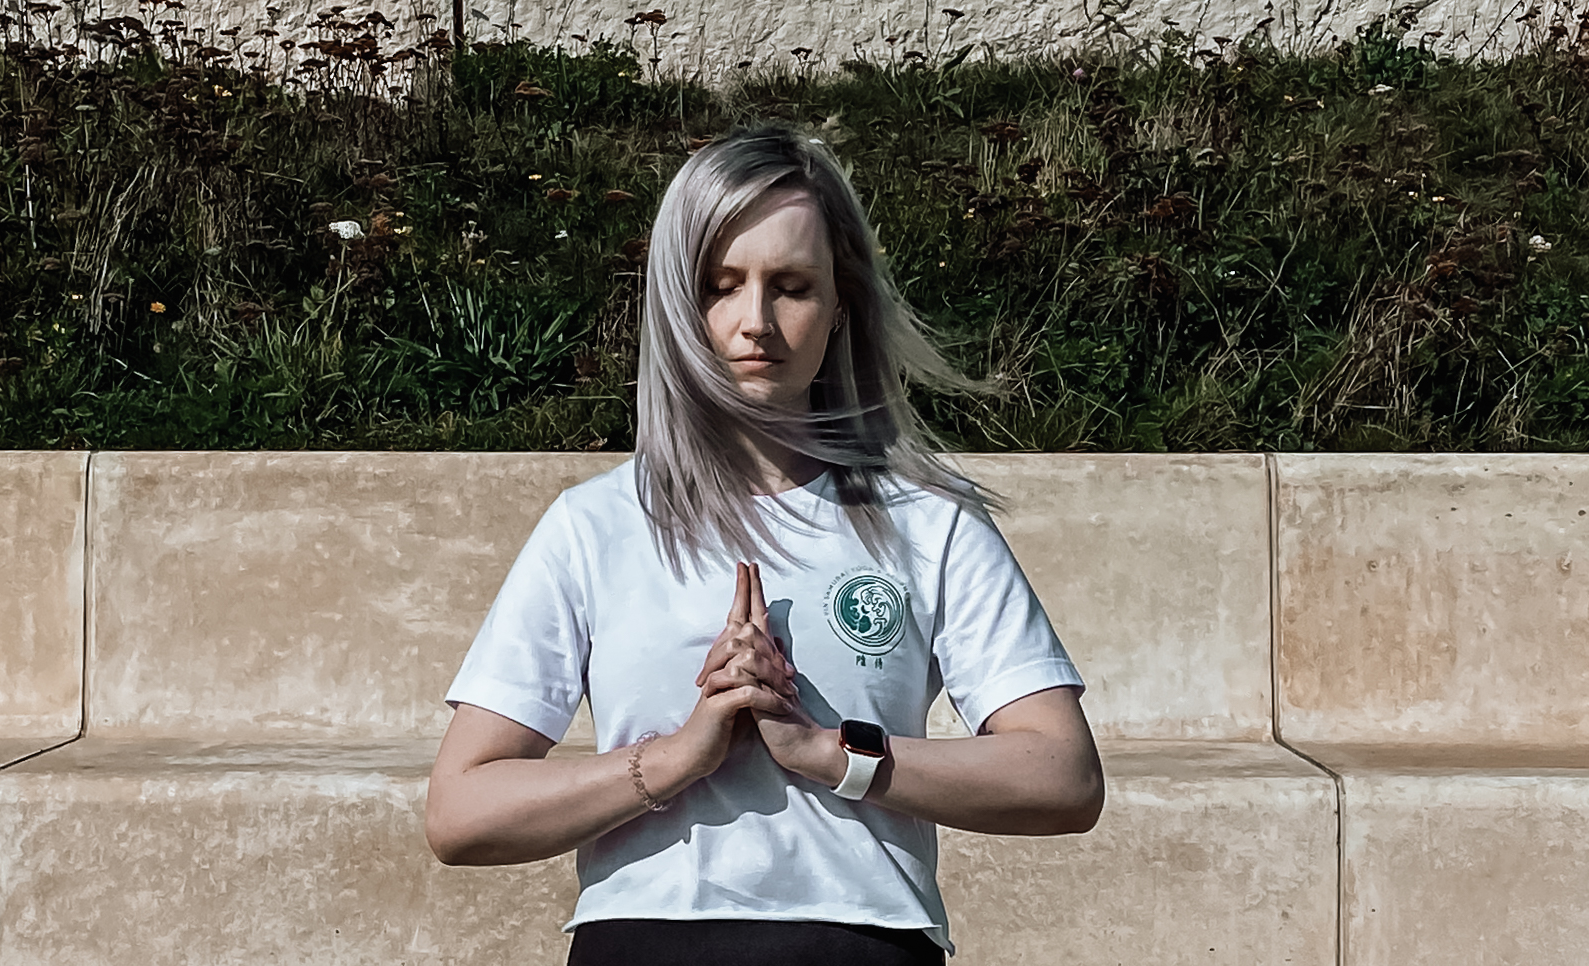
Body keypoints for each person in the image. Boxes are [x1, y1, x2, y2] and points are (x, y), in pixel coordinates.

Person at [424, 124, 1103, 966]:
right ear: (680, 303)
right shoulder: (594, 526)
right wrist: (674, 760)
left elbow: (1064, 778)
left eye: (791, 286)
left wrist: (828, 752)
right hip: (643, 941)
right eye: (721, 284)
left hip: (864, 943)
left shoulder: (929, 521)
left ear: (839, 305)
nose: (756, 323)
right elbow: (460, 812)